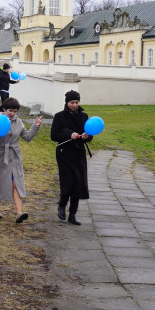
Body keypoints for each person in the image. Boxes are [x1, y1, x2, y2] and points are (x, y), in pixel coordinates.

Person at [0, 97, 42, 224]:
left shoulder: (19, 122)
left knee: (16, 183)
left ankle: (19, 213)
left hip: (15, 156)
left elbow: (27, 137)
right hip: (0, 155)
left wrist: (35, 126)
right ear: (4, 109)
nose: (12, 113)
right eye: (10, 110)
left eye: (15, 111)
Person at [50, 90, 91, 226]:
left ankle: (73, 214)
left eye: (76, 102)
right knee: (68, 181)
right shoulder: (59, 116)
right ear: (67, 103)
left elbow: (90, 134)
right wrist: (69, 135)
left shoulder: (84, 116)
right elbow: (54, 135)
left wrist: (86, 137)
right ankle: (62, 205)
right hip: (64, 153)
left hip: (79, 154)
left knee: (79, 183)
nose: (74, 105)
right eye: (71, 102)